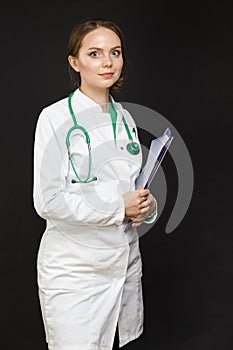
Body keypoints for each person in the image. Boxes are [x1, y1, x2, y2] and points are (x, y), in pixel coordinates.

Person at [33, 17, 157, 350]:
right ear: (74, 62)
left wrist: (145, 206)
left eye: (114, 52)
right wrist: (120, 208)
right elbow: (48, 201)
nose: (107, 62)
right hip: (75, 271)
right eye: (95, 53)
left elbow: (127, 186)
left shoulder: (126, 118)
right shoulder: (54, 118)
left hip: (122, 263)